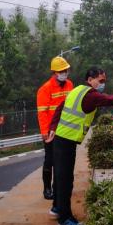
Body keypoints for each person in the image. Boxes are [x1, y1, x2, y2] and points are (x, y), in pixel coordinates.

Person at [47, 67, 113, 225]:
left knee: (60, 177)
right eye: (100, 81)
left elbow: (60, 107)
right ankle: (65, 219)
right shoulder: (91, 95)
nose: (102, 84)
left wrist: (53, 126)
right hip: (66, 140)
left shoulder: (76, 90)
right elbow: (110, 99)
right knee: (66, 180)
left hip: (61, 138)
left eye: (104, 81)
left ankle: (56, 208)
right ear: (90, 80)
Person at [36, 56, 73, 200]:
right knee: (50, 160)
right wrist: (45, 132)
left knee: (62, 160)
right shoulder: (45, 89)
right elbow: (42, 113)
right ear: (55, 72)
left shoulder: (70, 84)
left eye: (66, 70)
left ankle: (58, 186)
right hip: (51, 131)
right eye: (62, 70)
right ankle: (47, 188)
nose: (65, 72)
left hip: (65, 130)